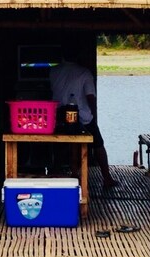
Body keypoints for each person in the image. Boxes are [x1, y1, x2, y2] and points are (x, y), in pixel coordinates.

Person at [50, 51, 118, 188]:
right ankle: (107, 178)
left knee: (61, 146)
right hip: (81, 115)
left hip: (59, 115)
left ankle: (55, 175)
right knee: (98, 144)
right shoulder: (84, 73)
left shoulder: (54, 71)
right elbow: (90, 96)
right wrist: (94, 113)